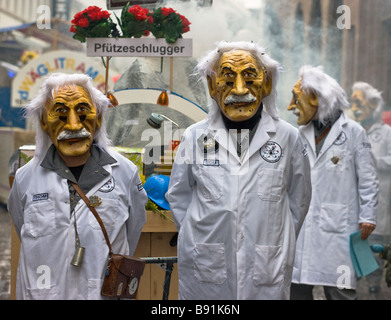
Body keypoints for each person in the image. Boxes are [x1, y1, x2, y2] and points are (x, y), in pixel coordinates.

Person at [166, 41, 312, 300]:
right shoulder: (195, 136)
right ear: (212, 86)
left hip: (267, 263)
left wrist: (279, 234)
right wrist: (196, 231)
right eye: (228, 79)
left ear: (266, 84)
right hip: (206, 262)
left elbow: (298, 200)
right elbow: (178, 195)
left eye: (249, 77)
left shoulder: (287, 137)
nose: (240, 89)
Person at [7, 73, 147, 300]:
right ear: (44, 121)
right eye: (60, 114)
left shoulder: (125, 173)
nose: (73, 125)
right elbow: (21, 224)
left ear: (99, 117)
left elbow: (134, 229)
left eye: (83, 112)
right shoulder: (25, 178)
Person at [287, 66, 379, 300]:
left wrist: (367, 215)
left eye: (297, 99)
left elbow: (368, 178)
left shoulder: (354, 132)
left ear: (318, 99)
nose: (291, 106)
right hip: (302, 225)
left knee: (339, 290)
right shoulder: (299, 134)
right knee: (297, 286)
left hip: (339, 225)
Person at [350, 81, 391, 297]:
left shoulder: (386, 133)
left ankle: (375, 288)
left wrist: (374, 160)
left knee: (375, 247)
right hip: (353, 201)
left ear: (373, 105)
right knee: (355, 246)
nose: (354, 107)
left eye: (359, 102)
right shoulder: (352, 131)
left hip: (380, 199)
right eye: (353, 101)